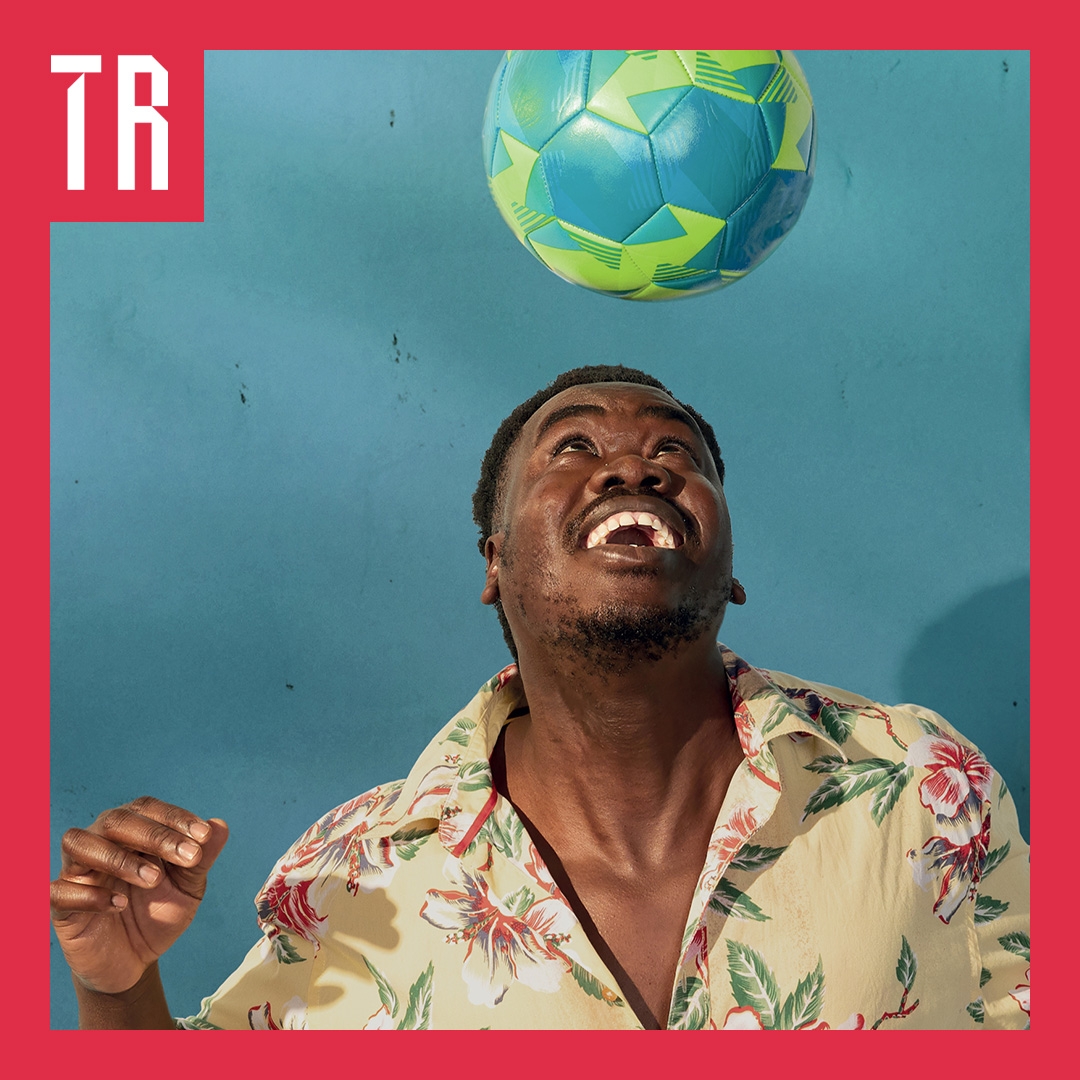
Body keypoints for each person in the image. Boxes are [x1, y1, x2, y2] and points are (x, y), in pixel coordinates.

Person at [50, 365, 1030, 1030]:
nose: (637, 464)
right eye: (569, 449)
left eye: (679, 456)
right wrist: (117, 980)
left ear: (729, 568)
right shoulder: (356, 877)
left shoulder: (923, 786)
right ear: (495, 563)